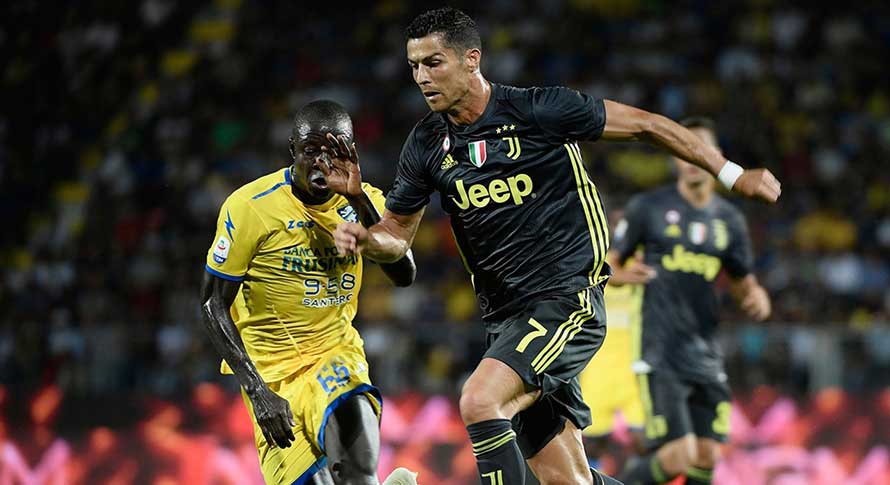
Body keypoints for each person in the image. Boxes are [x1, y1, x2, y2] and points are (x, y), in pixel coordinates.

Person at [332, 8, 780, 485]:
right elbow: (397, 237)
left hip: (566, 299)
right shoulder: (425, 143)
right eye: (414, 66)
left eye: (433, 62)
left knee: (480, 400)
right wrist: (366, 235)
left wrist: (731, 174)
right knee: (567, 480)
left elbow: (648, 125)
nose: (422, 77)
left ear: (471, 60)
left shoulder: (538, 110)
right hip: (505, 319)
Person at [200, 100, 418, 485]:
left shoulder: (367, 201)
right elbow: (212, 303)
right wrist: (256, 389)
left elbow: (404, 274)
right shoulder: (250, 207)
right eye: (310, 150)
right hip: (271, 377)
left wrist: (357, 200)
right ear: (292, 150)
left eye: (333, 150)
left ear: (351, 151)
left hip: (335, 356)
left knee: (357, 473)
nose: (321, 161)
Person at [611, 117, 772, 485]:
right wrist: (620, 275)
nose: (692, 158)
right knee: (677, 456)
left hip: (706, 353)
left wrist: (757, 297)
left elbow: (743, 282)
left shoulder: (729, 220)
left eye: (701, 148)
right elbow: (609, 265)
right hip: (659, 351)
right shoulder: (648, 207)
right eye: (684, 149)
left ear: (716, 156)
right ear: (675, 156)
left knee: (707, 456)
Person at [578, 215, 646, 467]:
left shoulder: (645, 263)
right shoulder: (591, 262)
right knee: (592, 445)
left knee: (646, 443)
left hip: (635, 368)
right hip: (598, 368)